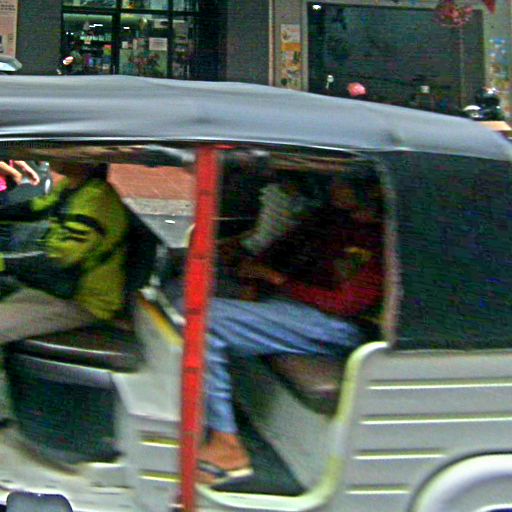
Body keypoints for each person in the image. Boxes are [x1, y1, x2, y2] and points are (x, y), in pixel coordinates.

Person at [194, 172, 384, 486]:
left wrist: (275, 279)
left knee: (206, 319)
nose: (333, 185)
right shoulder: (331, 219)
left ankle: (227, 445)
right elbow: (284, 250)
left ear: (368, 189)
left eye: (343, 181)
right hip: (296, 304)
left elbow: (344, 304)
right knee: (184, 292)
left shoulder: (377, 238)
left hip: (336, 324)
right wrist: (255, 276)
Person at [0, 160, 129, 344]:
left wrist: (4, 263)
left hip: (85, 302)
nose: (53, 157)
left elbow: (59, 259)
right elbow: (35, 208)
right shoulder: (72, 186)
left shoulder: (96, 199)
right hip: (58, 290)